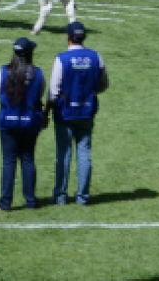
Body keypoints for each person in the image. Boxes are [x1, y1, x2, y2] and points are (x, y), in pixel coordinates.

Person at [47, 21, 109, 206]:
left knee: (64, 154)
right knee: (84, 153)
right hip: (87, 111)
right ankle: (83, 196)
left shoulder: (62, 59)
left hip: (65, 113)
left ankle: (60, 195)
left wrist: (46, 111)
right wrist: (90, 93)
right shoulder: (96, 57)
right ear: (84, 37)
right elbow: (104, 83)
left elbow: (54, 91)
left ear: (68, 37)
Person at [0, 37, 47, 212]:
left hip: (7, 122)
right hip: (30, 122)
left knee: (8, 162)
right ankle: (31, 201)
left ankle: (5, 203)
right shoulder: (38, 73)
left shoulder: (3, 71)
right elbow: (40, 94)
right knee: (28, 159)